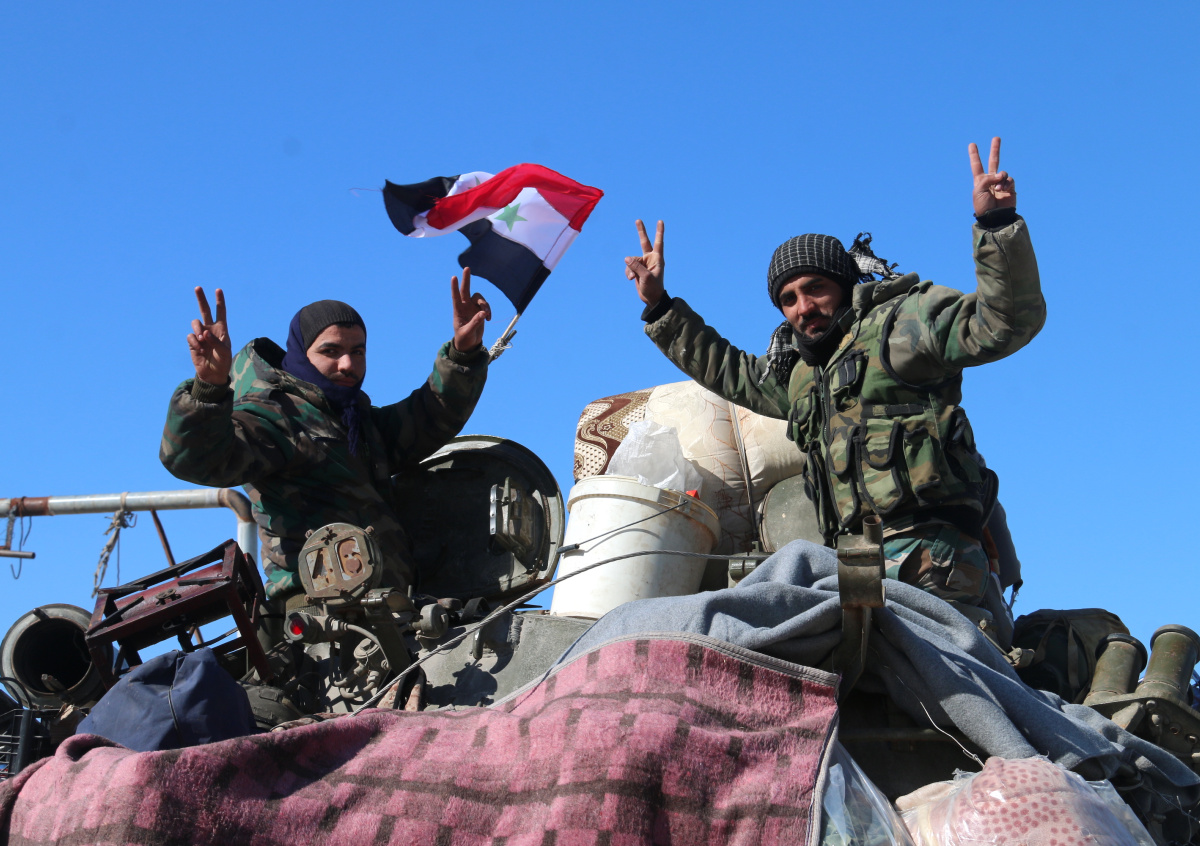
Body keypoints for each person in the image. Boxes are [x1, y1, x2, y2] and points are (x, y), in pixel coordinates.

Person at [624, 138, 1044, 615]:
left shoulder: (903, 324)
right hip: (852, 567)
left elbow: (1005, 322)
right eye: (788, 299)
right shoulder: (801, 376)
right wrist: (660, 307)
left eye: (815, 288)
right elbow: (728, 370)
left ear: (843, 284)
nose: (803, 307)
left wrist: (997, 226)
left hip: (932, 556)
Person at [161, 270, 491, 605]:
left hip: (384, 605)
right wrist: (208, 388)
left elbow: (429, 416)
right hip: (319, 612)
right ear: (301, 354)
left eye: (358, 351)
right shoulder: (275, 416)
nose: (347, 364)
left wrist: (463, 353)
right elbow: (196, 459)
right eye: (331, 351)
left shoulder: (357, 422)